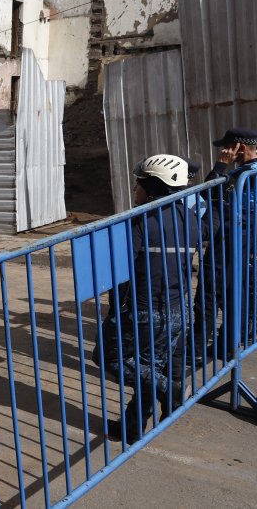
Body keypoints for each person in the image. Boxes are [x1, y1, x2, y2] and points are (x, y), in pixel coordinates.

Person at [102, 154, 197, 442]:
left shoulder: (140, 221)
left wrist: (115, 309)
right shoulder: (190, 217)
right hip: (178, 309)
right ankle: (132, 428)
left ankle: (170, 388)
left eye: (139, 183)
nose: (135, 189)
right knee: (149, 367)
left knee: (108, 357)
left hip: (146, 310)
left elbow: (121, 271)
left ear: (153, 187)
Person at [195, 127, 257, 356]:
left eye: (228, 148)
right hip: (240, 240)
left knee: (209, 293)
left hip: (229, 240)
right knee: (232, 293)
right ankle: (227, 343)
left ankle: (197, 347)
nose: (224, 152)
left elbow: (208, 192)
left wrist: (220, 166)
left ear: (241, 147)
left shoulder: (246, 174)